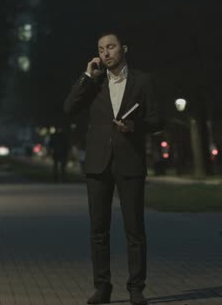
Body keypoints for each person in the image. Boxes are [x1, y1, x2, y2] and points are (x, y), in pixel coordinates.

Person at [63, 31, 163, 305]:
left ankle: (136, 288)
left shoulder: (143, 81)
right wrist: (86, 76)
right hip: (98, 164)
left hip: (130, 162)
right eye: (101, 49)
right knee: (98, 229)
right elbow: (69, 107)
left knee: (134, 229)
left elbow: (157, 119)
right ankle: (102, 287)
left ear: (124, 49)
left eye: (111, 47)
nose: (106, 53)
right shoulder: (93, 84)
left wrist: (135, 127)